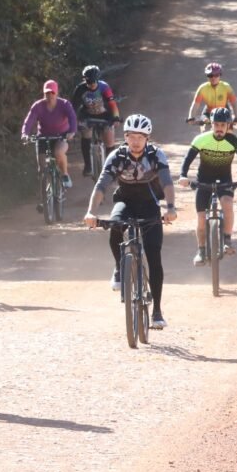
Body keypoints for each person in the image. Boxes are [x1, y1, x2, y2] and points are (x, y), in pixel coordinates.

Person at [84, 114, 177, 329]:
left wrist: (171, 208)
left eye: (140, 137)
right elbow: (101, 185)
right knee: (115, 224)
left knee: (154, 257)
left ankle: (157, 312)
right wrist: (91, 212)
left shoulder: (156, 155)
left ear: (147, 138)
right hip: (125, 201)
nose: (135, 141)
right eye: (131, 136)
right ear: (125, 137)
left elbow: (167, 182)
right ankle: (119, 268)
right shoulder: (117, 156)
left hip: (150, 204)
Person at [179, 107, 237, 265]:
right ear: (211, 124)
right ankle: (201, 250)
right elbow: (187, 160)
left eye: (222, 125)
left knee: (227, 204)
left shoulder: (235, 141)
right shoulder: (201, 139)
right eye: (216, 125)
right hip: (203, 180)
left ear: (228, 125)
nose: (219, 128)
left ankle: (227, 240)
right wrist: (183, 175)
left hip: (225, 180)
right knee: (200, 218)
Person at [21, 79, 78, 192]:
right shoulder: (38, 106)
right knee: (41, 168)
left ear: (56, 93)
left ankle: (65, 174)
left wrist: (72, 131)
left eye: (52, 92)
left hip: (61, 136)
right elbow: (29, 121)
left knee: (58, 152)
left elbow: (72, 118)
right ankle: (46, 195)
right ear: (44, 94)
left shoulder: (64, 104)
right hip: (42, 137)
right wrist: (25, 134)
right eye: (47, 93)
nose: (50, 95)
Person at [71, 65, 121, 177]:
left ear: (97, 80)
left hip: (105, 115)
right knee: (86, 134)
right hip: (87, 115)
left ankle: (110, 168)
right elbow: (73, 108)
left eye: (93, 82)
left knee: (109, 140)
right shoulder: (80, 89)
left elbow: (112, 104)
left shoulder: (104, 87)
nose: (91, 85)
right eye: (89, 83)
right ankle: (88, 165)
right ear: (85, 80)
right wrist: (75, 122)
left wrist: (116, 118)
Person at [186, 62, 237, 127]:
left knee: (229, 131)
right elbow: (196, 104)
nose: (213, 78)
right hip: (208, 113)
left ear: (220, 75)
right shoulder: (202, 88)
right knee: (205, 127)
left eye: (216, 75)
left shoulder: (226, 87)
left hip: (224, 112)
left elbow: (234, 103)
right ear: (207, 76)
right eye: (210, 75)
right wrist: (191, 117)